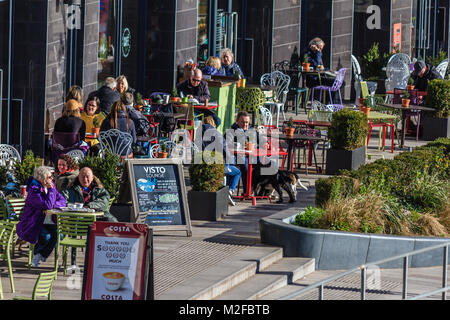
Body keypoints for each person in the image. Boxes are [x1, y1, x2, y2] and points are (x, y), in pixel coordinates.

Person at [16, 166, 66, 267]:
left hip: (50, 221)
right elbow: (47, 205)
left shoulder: (52, 189)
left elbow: (62, 201)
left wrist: (52, 206)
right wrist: (50, 197)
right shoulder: (34, 191)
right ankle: (37, 254)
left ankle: (41, 254)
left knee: (59, 235)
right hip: (35, 222)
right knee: (46, 236)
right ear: (42, 179)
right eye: (50, 177)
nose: (52, 179)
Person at [196, 116, 240, 202]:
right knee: (237, 172)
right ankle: (229, 192)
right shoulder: (216, 133)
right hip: (215, 165)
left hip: (200, 166)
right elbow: (224, 149)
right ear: (214, 124)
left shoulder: (198, 133)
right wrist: (231, 161)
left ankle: (226, 192)